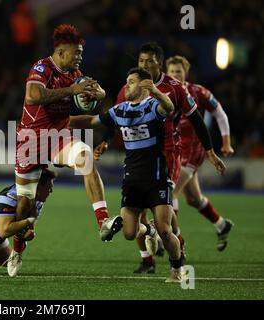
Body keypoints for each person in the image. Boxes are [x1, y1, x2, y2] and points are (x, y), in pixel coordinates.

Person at [95, 42, 226, 273]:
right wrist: (105, 141)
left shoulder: (174, 88)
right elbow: (115, 118)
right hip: (138, 155)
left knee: (166, 203)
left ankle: (177, 247)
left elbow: (196, 118)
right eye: (141, 61)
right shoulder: (130, 88)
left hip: (168, 153)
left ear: (159, 63)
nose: (145, 65)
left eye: (149, 61)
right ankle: (147, 259)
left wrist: (211, 151)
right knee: (135, 213)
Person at [11, 24, 117, 276]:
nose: (80, 56)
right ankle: (16, 250)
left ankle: (103, 221)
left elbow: (94, 92)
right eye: (76, 52)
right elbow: (33, 96)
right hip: (31, 141)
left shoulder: (76, 74)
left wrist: (97, 93)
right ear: (60, 52)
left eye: (81, 52)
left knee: (86, 158)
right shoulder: (42, 68)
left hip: (59, 137)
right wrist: (72, 90)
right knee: (25, 206)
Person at [70, 68, 186, 282]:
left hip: (157, 178)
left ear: (144, 85)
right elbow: (91, 121)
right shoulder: (120, 110)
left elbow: (169, 108)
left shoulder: (152, 106)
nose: (127, 86)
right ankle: (148, 230)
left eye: (131, 82)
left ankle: (177, 268)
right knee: (129, 233)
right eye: (126, 81)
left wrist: (156, 91)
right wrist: (65, 120)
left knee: (166, 231)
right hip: (132, 181)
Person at [166, 55, 234, 251]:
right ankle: (222, 225)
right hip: (176, 148)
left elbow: (219, 113)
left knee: (171, 193)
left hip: (194, 150)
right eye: (171, 71)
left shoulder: (197, 91)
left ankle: (174, 241)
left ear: (185, 72)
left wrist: (226, 143)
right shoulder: (165, 92)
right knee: (193, 199)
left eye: (178, 71)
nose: (175, 75)